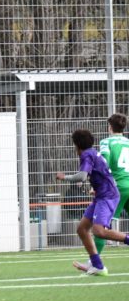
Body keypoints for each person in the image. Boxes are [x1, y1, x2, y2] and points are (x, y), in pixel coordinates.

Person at [56, 129, 129, 275]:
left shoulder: (86, 154)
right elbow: (100, 174)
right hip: (102, 195)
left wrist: (65, 177)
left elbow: (82, 176)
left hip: (108, 196)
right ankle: (98, 266)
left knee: (99, 231)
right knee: (82, 229)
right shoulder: (92, 152)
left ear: (77, 145)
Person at [93, 113, 129, 256]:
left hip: (116, 188)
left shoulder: (106, 142)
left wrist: (97, 185)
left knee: (100, 227)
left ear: (109, 127)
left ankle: (95, 262)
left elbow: (104, 164)